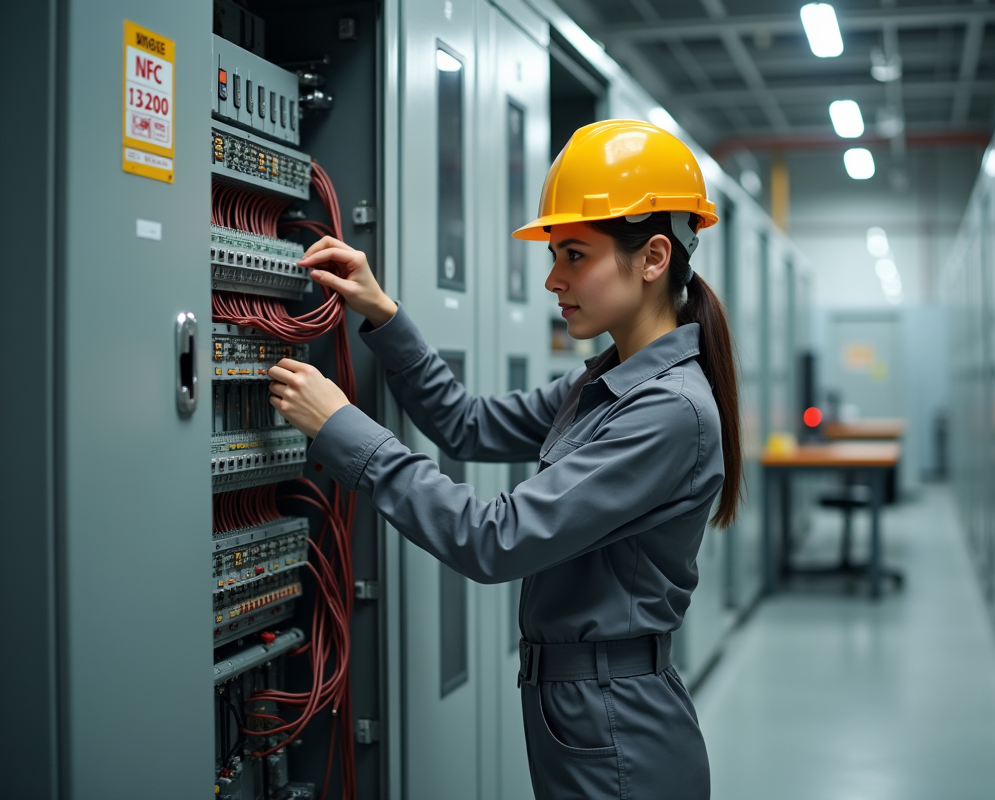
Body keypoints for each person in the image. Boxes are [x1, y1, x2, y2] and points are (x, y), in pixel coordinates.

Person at [266, 119, 742, 799]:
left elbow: (494, 540)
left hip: (619, 727)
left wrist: (342, 427)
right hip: (579, 710)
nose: (553, 279)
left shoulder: (667, 412)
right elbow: (466, 423)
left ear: (654, 256)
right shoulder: (606, 382)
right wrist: (383, 314)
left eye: (574, 254)